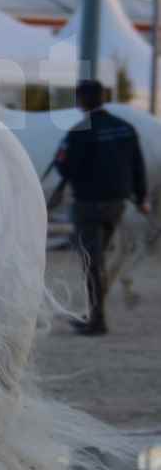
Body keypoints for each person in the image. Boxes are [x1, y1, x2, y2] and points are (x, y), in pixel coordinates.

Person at [53, 79, 149, 335]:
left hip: (88, 206)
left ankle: (96, 320)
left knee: (92, 264)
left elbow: (64, 166)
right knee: (99, 260)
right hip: (116, 205)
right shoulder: (126, 128)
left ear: (82, 100)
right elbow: (138, 166)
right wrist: (141, 199)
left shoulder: (78, 131)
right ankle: (95, 314)